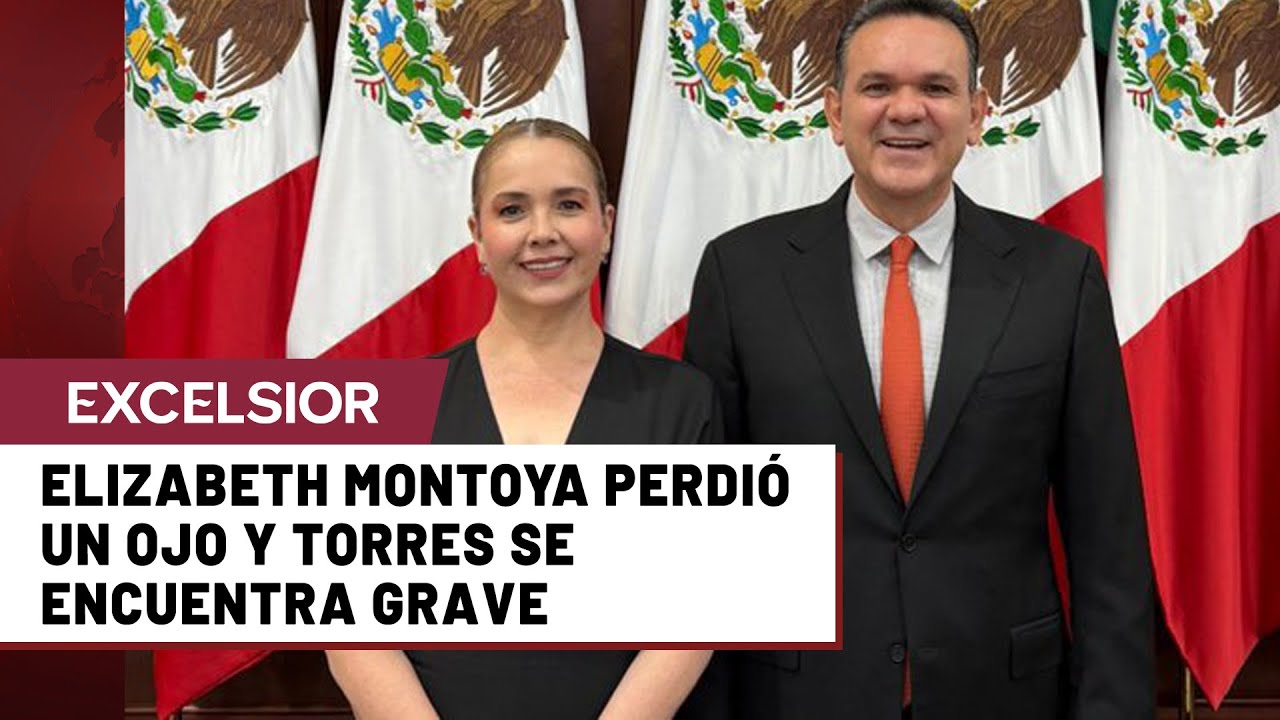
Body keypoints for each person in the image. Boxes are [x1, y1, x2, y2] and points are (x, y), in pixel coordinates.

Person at [683, 1, 1154, 718]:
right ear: (835, 112)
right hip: (798, 696)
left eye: (936, 88)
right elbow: (709, 534)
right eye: (877, 87)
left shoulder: (1060, 279)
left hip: (1003, 696)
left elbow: (1107, 539)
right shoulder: (740, 274)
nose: (906, 110)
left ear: (977, 113)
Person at [325, 118, 720, 719]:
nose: (543, 232)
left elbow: (693, 615)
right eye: (512, 210)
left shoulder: (681, 401)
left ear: (606, 226)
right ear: (478, 238)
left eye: (568, 205)